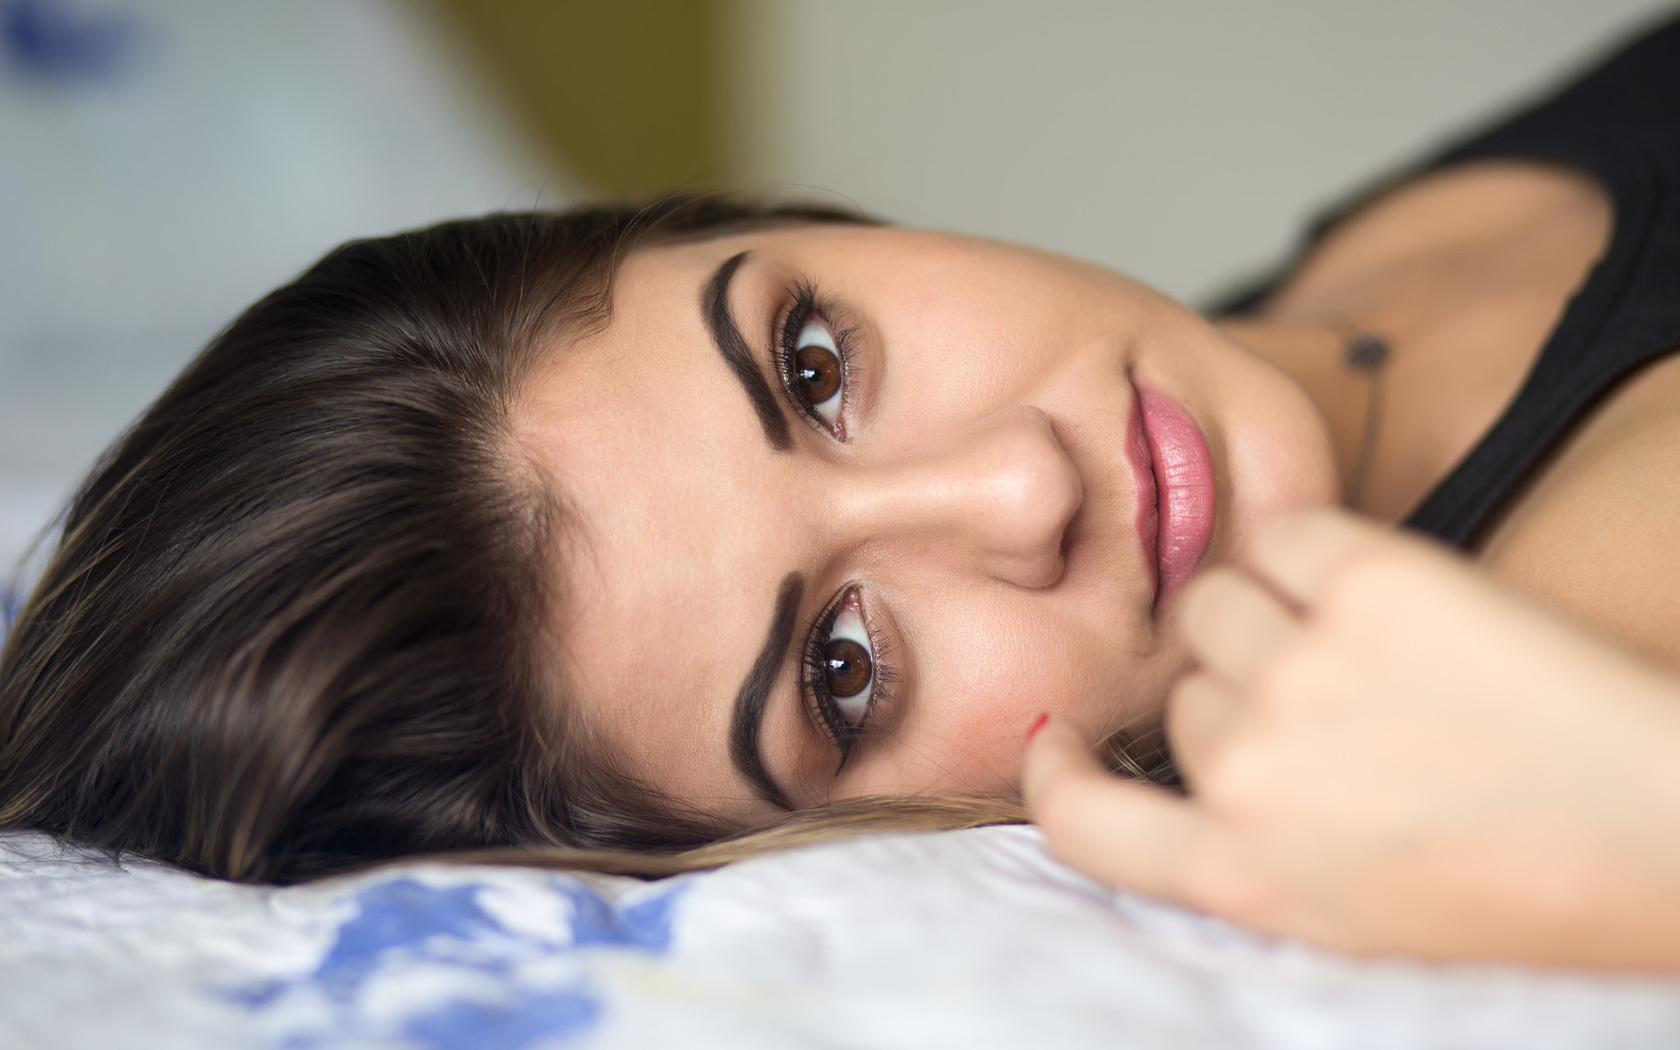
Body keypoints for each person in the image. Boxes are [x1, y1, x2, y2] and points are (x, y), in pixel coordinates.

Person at [0, 12, 1673, 972]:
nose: (1020, 484)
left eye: (812, 362)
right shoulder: (1574, 635)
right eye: (845, 669)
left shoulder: (1343, 281)